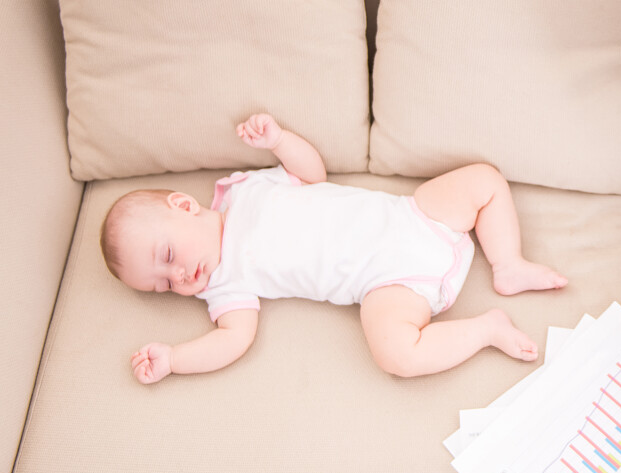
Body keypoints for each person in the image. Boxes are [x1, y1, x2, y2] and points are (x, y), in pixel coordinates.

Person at [100, 113, 567, 384]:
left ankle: (508, 263)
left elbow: (312, 175)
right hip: (385, 285)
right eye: (165, 286)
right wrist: (175, 360)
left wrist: (279, 141)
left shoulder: (244, 190)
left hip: (413, 216)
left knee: (484, 179)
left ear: (184, 206)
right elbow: (233, 340)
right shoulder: (224, 284)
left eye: (168, 258)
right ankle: (485, 330)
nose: (179, 277)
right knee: (396, 356)